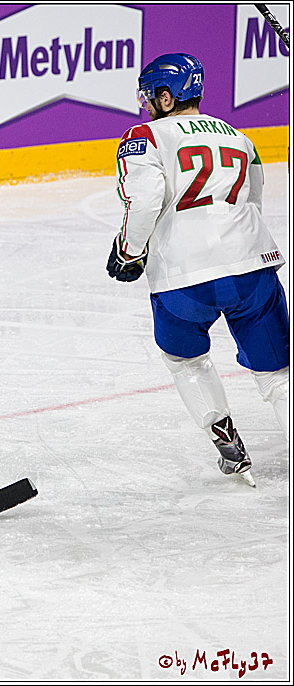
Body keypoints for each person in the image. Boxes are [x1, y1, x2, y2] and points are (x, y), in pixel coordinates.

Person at [106, 53, 289, 486]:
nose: (146, 104)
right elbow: (254, 201)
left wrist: (129, 251)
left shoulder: (143, 136)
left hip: (183, 276)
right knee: (278, 372)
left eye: (150, 96)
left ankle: (225, 437)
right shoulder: (239, 137)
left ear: (166, 97)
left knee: (186, 361)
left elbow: (145, 201)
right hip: (252, 267)